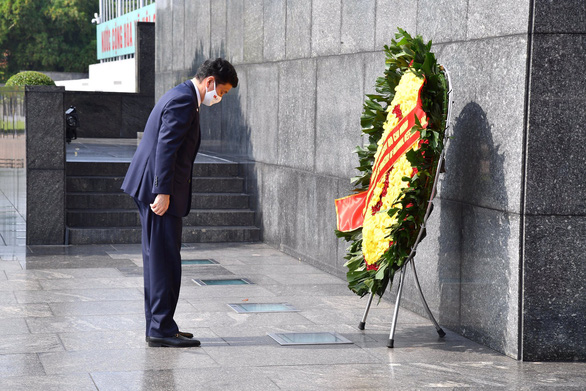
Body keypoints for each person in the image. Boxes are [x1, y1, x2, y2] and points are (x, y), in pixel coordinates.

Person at [121, 58, 238, 348]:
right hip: (157, 191)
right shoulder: (185, 100)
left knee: (159, 259)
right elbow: (166, 146)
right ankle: (161, 328)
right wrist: (161, 191)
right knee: (164, 261)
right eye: (221, 92)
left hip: (153, 187)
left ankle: (160, 325)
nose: (219, 99)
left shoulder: (183, 96)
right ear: (210, 82)